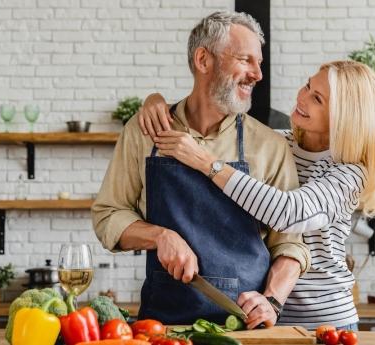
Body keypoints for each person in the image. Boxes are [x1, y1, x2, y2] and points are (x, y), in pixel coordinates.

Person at [137, 60, 375, 330]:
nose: (302, 97)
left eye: (317, 98)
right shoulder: (276, 143)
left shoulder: (349, 172)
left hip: (323, 322)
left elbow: (289, 214)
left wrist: (207, 163)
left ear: (344, 117)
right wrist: (158, 104)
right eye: (308, 85)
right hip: (261, 315)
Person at [92, 11, 311, 327]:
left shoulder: (269, 145)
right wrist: (159, 236)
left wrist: (272, 299)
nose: (257, 74)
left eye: (258, 63)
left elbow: (290, 242)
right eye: (245, 60)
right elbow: (108, 214)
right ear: (203, 60)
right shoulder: (144, 132)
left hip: (245, 327)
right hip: (163, 327)